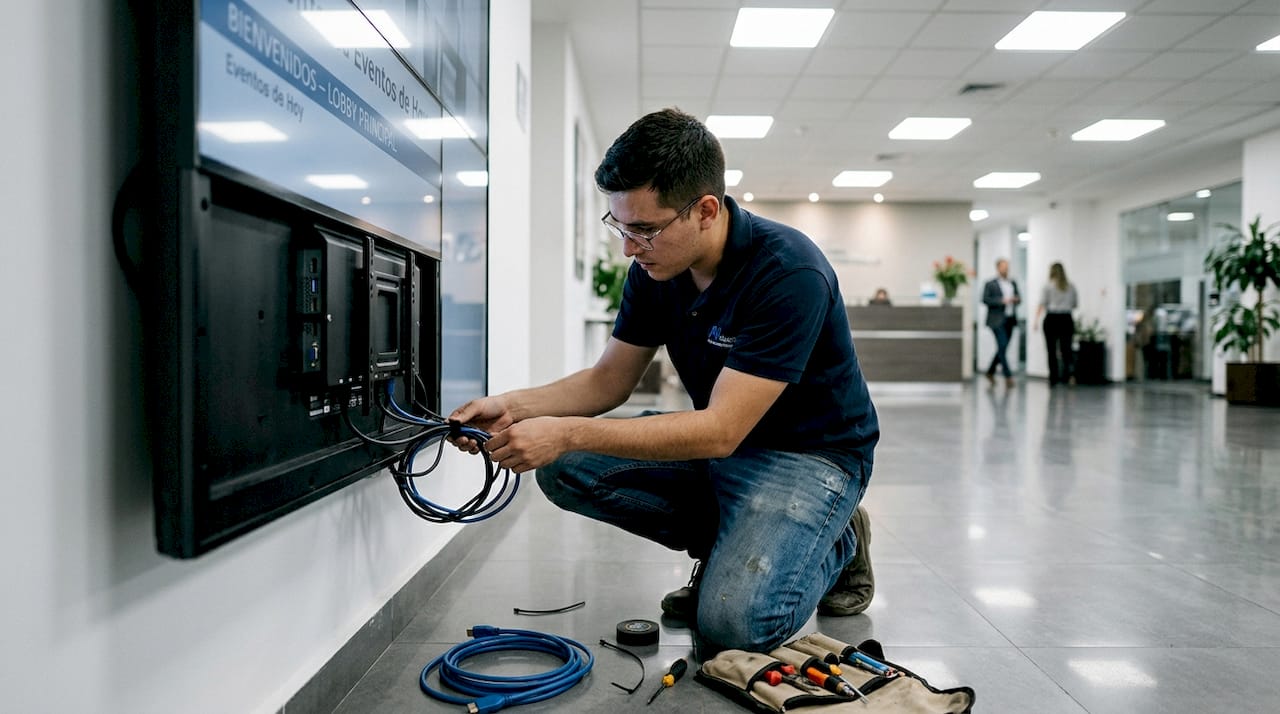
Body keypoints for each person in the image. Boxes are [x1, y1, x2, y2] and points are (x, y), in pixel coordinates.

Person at [448, 108, 879, 656]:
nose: (629, 248)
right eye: (620, 227)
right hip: (722, 445)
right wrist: (510, 407)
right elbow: (608, 381)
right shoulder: (656, 271)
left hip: (810, 457)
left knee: (731, 628)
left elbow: (721, 430)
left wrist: (569, 431)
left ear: (705, 210)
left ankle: (838, 539)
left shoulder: (789, 272)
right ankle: (735, 546)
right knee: (561, 468)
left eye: (644, 230)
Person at [1033, 262, 1078, 386]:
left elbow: (1042, 303)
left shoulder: (1047, 286)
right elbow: (1075, 304)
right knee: (1066, 349)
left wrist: (1036, 321)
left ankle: (1053, 377)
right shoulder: (1071, 286)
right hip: (1066, 319)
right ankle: (1070, 375)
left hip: (1052, 319)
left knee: (1051, 350)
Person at [982, 258, 1021, 387]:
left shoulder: (1012, 283)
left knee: (1002, 348)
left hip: (1010, 319)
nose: (1006, 269)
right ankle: (1008, 376)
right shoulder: (990, 283)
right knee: (1002, 345)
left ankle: (990, 371)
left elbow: (1019, 298)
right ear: (998, 268)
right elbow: (985, 299)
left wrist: (1016, 300)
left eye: (1007, 266)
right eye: (1003, 266)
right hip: (996, 320)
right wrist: (1001, 301)